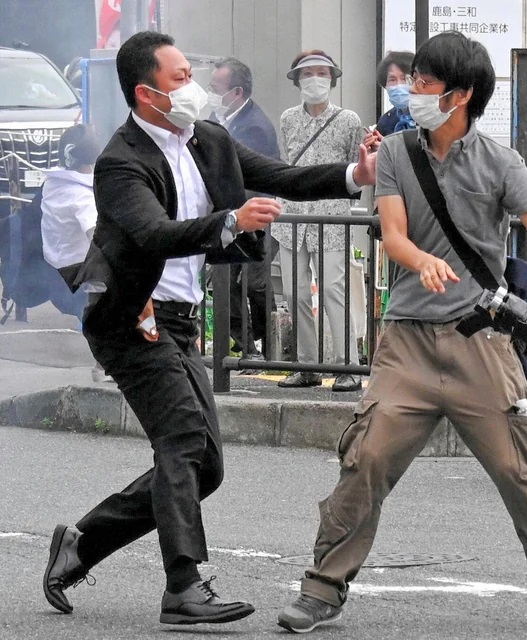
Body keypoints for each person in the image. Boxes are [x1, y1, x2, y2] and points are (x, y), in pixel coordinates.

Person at [42, 31, 376, 627]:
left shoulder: (207, 138)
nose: (191, 86)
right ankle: (183, 586)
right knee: (181, 440)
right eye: (178, 78)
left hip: (179, 318)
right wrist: (230, 221)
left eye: (190, 74)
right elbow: (154, 234)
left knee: (208, 468)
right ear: (146, 94)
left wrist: (356, 172)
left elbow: (282, 176)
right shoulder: (121, 161)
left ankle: (83, 544)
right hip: (133, 317)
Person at [277, 31, 527, 634]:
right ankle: (322, 588)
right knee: (366, 457)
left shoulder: (501, 161)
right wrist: (420, 259)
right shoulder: (397, 153)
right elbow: (393, 234)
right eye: (413, 78)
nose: (411, 89)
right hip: (407, 343)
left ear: (461, 94)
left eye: (424, 81)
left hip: (482, 341)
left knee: (521, 467)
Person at [272, 50, 363, 392]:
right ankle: (306, 365)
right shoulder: (287, 119)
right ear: (297, 80)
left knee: (332, 291)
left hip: (332, 217)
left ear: (332, 79)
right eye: (307, 73)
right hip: (292, 216)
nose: (315, 79)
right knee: (293, 292)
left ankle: (348, 366)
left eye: (322, 73)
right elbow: (285, 162)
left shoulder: (349, 120)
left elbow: (356, 169)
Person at [206, 56, 280, 363]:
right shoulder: (218, 118)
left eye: (215, 88)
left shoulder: (254, 127)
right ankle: (246, 346)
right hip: (232, 217)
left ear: (237, 92)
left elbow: (251, 178)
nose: (210, 94)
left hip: (255, 218)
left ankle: (267, 343)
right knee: (228, 283)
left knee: (253, 283)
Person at [40, 123, 113, 383]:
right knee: (118, 292)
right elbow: (96, 235)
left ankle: (104, 362)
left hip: (56, 263)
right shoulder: (81, 196)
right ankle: (104, 365)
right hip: (79, 267)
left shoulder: (54, 183)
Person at [375, 50, 416, 136]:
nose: (399, 85)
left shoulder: (429, 116)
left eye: (404, 79)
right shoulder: (386, 122)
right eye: (392, 80)